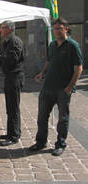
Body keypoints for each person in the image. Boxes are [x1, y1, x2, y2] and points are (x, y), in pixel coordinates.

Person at [29, 17, 83, 156]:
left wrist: (70, 87)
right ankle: (40, 142)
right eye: (55, 29)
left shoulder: (72, 45)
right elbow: (49, 61)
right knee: (42, 116)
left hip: (63, 88)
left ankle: (60, 144)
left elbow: (79, 68)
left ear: (66, 29)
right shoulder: (52, 45)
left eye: (59, 28)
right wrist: (42, 73)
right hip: (48, 87)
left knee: (62, 118)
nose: (57, 31)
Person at [0, 20, 25, 146]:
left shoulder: (15, 41)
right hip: (9, 77)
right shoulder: (7, 42)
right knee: (9, 107)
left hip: (15, 77)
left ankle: (14, 135)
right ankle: (10, 132)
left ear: (10, 29)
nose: (1, 30)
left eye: (3, 28)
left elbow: (12, 59)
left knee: (13, 107)